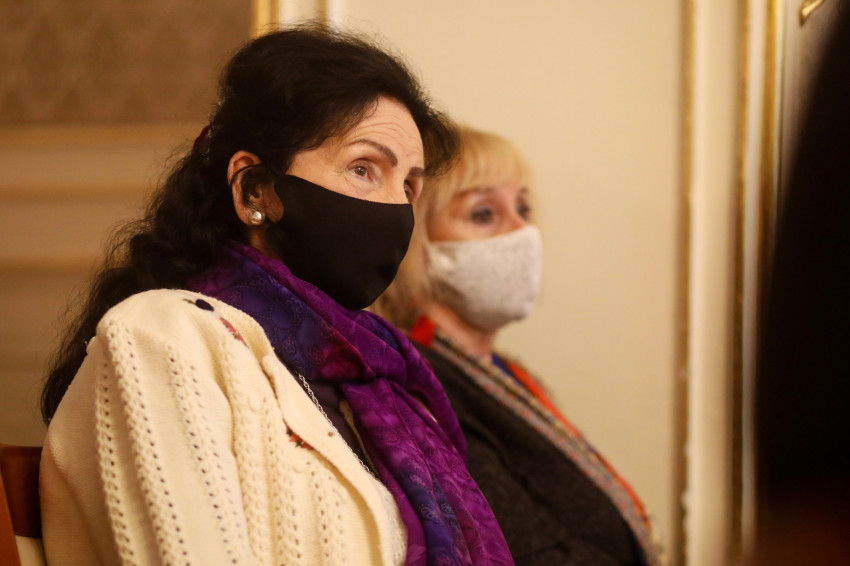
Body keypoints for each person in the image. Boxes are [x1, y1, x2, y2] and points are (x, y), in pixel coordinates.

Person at [39, 25, 515, 566]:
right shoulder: (162, 336)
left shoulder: (378, 377)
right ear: (255, 190)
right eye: (364, 169)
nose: (394, 208)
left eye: (408, 186)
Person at [375, 126, 661, 566]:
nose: (521, 230)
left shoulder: (504, 373)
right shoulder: (422, 388)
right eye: (483, 214)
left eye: (522, 207)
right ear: (417, 241)